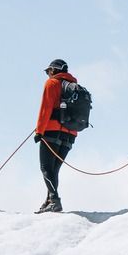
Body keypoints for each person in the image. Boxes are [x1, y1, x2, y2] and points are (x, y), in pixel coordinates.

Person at [34, 59, 79, 213]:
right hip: (70, 134)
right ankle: (49, 202)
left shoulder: (51, 84)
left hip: (52, 131)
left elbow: (45, 109)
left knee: (45, 168)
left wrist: (39, 131)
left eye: (48, 71)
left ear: (54, 70)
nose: (47, 75)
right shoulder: (75, 87)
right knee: (54, 170)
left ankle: (54, 200)